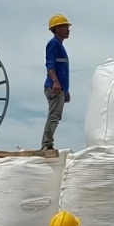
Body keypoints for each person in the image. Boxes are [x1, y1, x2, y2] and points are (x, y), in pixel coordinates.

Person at [42, 14, 71, 150]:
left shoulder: (59, 45)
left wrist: (65, 90)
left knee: (56, 116)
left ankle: (47, 144)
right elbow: (50, 64)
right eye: (65, 26)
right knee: (54, 116)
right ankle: (47, 145)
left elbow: (62, 70)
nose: (68, 29)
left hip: (59, 88)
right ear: (57, 28)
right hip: (54, 86)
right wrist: (55, 82)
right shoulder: (53, 44)